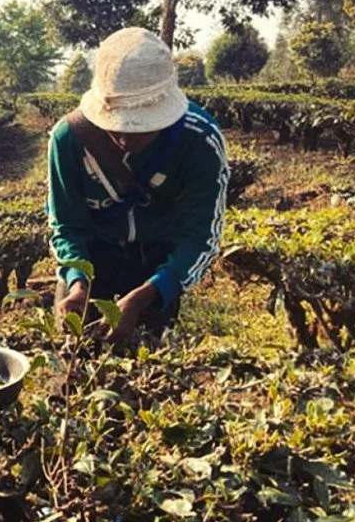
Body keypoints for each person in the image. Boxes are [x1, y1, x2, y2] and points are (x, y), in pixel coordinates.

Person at [48, 27, 228, 342]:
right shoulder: (69, 139)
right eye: (114, 124)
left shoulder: (200, 142)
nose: (124, 137)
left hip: (157, 265)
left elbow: (200, 239)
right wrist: (78, 282)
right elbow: (68, 226)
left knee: (150, 362)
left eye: (142, 127)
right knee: (73, 356)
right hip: (92, 258)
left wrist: (147, 295)